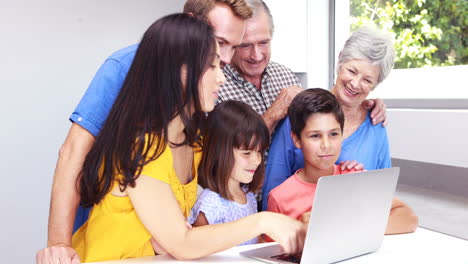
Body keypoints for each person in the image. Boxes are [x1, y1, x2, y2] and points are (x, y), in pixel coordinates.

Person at [69, 14, 304, 263]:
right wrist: (264, 220)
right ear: (176, 71)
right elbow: (182, 243)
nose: (221, 78)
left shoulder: (195, 140)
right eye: (211, 67)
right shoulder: (142, 145)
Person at [37, 1, 253, 262]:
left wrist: (165, 230)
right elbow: (73, 152)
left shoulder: (190, 138)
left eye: (232, 47)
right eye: (219, 45)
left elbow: (173, 229)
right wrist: (59, 244)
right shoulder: (126, 70)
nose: (227, 63)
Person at [262, 26, 400, 211]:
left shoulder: (376, 126)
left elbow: (383, 198)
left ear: (376, 85)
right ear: (340, 60)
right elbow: (272, 193)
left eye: (367, 80)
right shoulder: (300, 115)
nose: (355, 84)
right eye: (351, 71)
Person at [219, 0, 387, 134]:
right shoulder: (215, 86)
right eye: (245, 45)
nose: (256, 55)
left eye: (264, 43)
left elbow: (315, 118)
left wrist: (361, 104)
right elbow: (216, 157)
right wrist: (272, 115)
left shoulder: (286, 76)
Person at [266, 88, 419, 235]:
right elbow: (269, 252)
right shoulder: (279, 197)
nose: (326, 145)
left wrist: (339, 226)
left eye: (333, 134)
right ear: (297, 140)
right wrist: (301, 231)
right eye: (315, 136)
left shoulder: (355, 177)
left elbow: (408, 218)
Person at [188, 100, 269, 245]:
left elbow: (255, 241)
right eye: (246, 153)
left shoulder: (249, 197)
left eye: (259, 152)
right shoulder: (211, 204)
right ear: (220, 152)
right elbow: (198, 250)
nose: (257, 160)